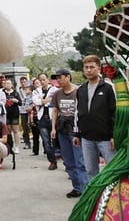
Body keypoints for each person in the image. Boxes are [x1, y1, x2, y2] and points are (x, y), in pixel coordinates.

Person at [74, 55, 116, 181]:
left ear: (99, 69)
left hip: (106, 138)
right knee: (90, 171)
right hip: (87, 137)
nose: (88, 70)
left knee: (112, 170)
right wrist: (76, 134)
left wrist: (114, 135)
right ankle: (95, 193)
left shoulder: (108, 88)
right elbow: (77, 112)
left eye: (92, 67)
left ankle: (113, 193)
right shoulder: (81, 89)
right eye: (86, 67)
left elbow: (115, 112)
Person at [50, 68, 88, 198]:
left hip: (76, 129)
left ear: (68, 77)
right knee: (68, 160)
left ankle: (85, 189)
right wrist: (53, 128)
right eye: (57, 78)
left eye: (60, 77)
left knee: (80, 160)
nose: (58, 80)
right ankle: (76, 187)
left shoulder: (79, 91)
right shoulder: (57, 94)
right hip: (62, 129)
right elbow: (55, 110)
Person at [33, 73, 59, 170]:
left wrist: (44, 101)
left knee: (57, 141)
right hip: (42, 119)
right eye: (40, 80)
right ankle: (52, 161)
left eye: (44, 79)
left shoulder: (54, 90)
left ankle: (66, 161)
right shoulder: (36, 91)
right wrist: (46, 100)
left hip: (53, 118)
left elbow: (54, 101)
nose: (42, 82)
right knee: (46, 142)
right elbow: (36, 101)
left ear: (48, 80)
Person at [2, 79, 22, 153]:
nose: (7, 85)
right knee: (8, 130)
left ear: (12, 85)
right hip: (6, 113)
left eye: (9, 83)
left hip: (14, 113)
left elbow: (20, 102)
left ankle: (17, 146)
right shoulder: (2, 92)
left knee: (15, 130)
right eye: (6, 83)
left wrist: (15, 100)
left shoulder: (16, 93)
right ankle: (10, 145)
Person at [19, 83, 33, 150]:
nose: (26, 91)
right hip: (23, 112)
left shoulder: (33, 96)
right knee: (24, 127)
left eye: (28, 89)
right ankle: (27, 142)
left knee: (30, 126)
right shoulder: (24, 97)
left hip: (30, 113)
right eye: (26, 89)